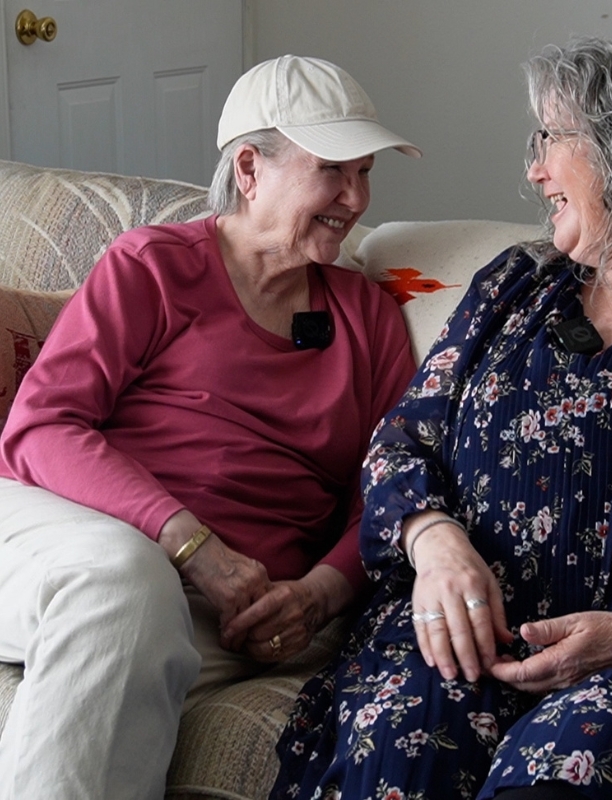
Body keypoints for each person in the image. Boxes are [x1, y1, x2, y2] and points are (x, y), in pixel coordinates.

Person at [269, 36, 612, 800]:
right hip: (461, 637)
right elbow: (404, 438)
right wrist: (435, 542)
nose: (533, 168)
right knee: (398, 761)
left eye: (550, 139)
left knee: (564, 773)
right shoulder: (518, 283)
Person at [0, 55, 420, 799]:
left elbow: (387, 493)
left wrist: (316, 595)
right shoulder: (154, 268)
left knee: (134, 621)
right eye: (333, 171)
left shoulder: (368, 320)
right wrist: (195, 548)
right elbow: (40, 428)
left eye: (365, 174)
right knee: (126, 584)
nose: (355, 199)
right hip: (71, 531)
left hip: (219, 608)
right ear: (251, 169)